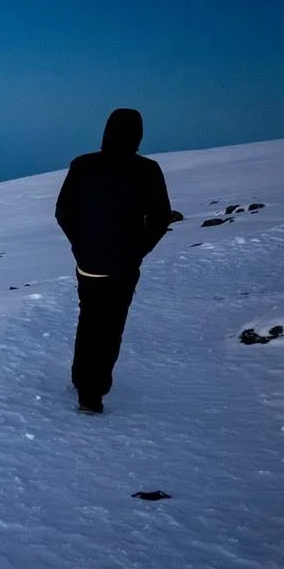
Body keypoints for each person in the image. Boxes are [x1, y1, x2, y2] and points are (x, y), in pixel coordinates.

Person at [54, 108, 173, 414]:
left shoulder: (83, 165)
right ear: (138, 135)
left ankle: (82, 380)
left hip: (87, 261)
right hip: (123, 264)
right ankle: (93, 392)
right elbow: (160, 218)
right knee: (111, 324)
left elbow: (63, 211)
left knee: (89, 318)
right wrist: (138, 250)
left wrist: (79, 243)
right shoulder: (147, 170)